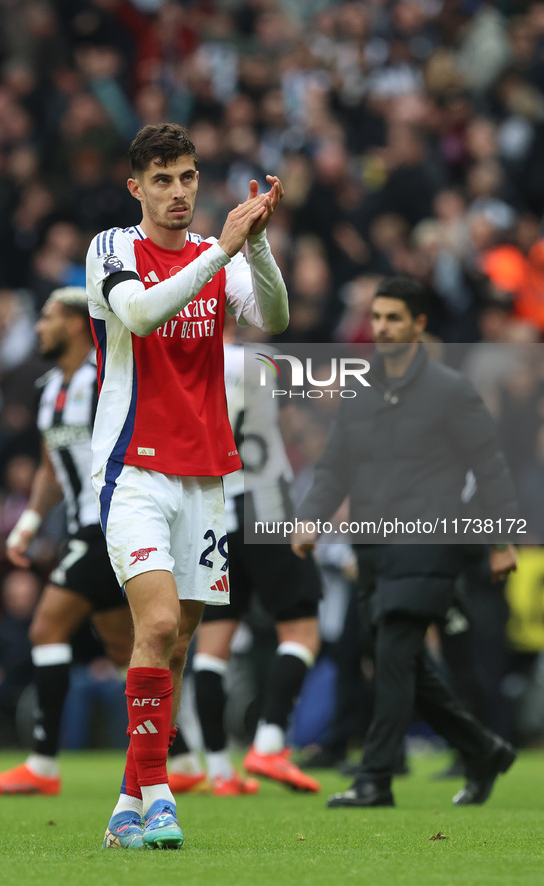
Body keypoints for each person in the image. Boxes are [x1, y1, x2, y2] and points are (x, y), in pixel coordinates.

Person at [86, 123, 288, 849]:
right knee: (161, 624)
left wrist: (255, 243)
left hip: (205, 477)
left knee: (173, 647)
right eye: (163, 181)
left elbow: (274, 316)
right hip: (133, 470)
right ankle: (163, 795)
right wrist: (224, 253)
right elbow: (139, 312)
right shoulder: (112, 248)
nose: (178, 193)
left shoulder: (214, 253)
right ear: (137, 186)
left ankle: (125, 806)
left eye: (188, 179)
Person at [292, 275, 518, 808]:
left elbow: (491, 465)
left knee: (394, 645)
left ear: (419, 324)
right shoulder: (359, 390)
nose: (382, 327)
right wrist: (311, 518)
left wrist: (502, 539)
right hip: (372, 546)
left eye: (394, 318)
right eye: (376, 317)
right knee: (401, 660)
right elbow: (335, 466)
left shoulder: (450, 391)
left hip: (431, 540)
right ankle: (480, 748)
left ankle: (375, 778)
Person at [0, 287, 133, 796]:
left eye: (46, 318)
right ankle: (179, 749)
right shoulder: (50, 388)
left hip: (107, 524)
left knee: (46, 628)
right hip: (78, 527)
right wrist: (27, 525)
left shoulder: (104, 380)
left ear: (71, 323)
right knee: (127, 649)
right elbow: (49, 466)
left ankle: (43, 765)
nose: (38, 327)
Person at [169, 333, 322, 796]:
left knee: (214, 644)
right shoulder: (264, 360)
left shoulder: (183, 360)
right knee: (301, 630)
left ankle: (219, 770)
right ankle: (269, 742)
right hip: (265, 501)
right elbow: (297, 419)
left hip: (213, 510)